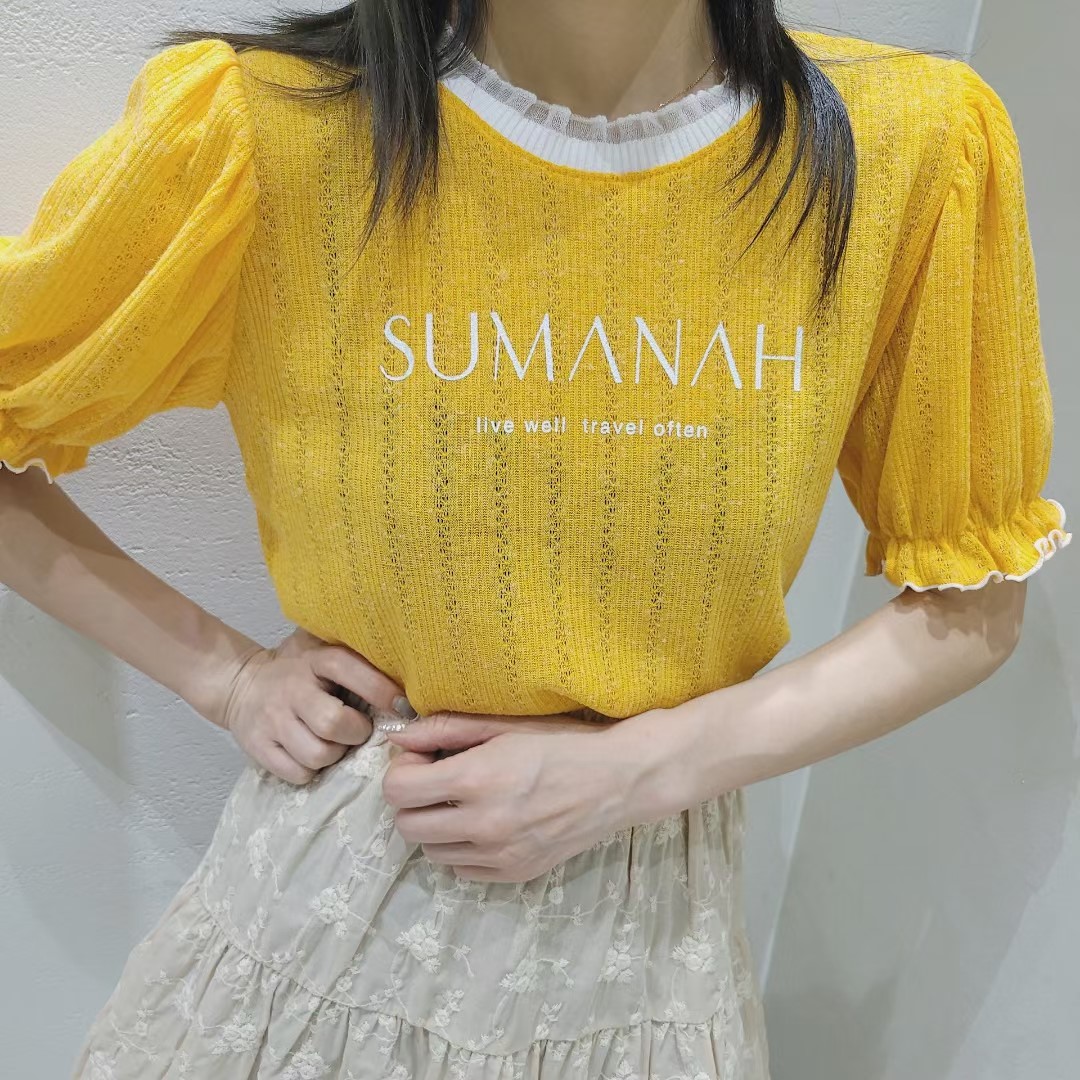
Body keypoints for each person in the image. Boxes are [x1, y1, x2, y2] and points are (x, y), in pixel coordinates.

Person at [0, 1, 1071, 1076]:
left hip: (651, 956)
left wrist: (636, 771)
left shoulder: (906, 149)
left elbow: (974, 605)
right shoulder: (272, 130)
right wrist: (225, 678)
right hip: (315, 949)